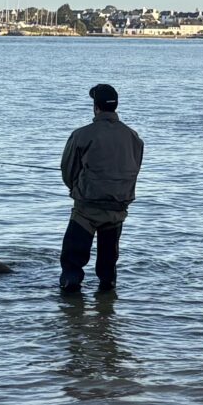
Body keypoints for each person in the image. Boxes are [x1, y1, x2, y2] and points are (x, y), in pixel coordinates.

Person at [57, 82, 144, 295]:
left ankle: (71, 309)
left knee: (72, 261)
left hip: (87, 207)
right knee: (108, 264)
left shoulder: (82, 134)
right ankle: (107, 307)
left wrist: (77, 189)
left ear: (96, 107)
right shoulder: (133, 136)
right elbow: (135, 167)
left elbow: (67, 170)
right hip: (118, 207)